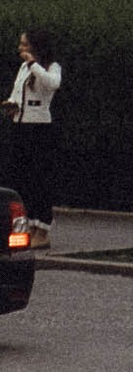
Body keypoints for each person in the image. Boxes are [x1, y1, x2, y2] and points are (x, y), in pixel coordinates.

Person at [8, 34, 62, 244]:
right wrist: (11, 104)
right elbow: (17, 91)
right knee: (24, 178)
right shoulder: (23, 68)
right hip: (21, 123)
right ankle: (29, 224)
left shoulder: (51, 66)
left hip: (40, 127)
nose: (21, 48)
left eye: (25, 44)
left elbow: (52, 85)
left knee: (40, 178)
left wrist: (34, 64)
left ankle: (43, 228)